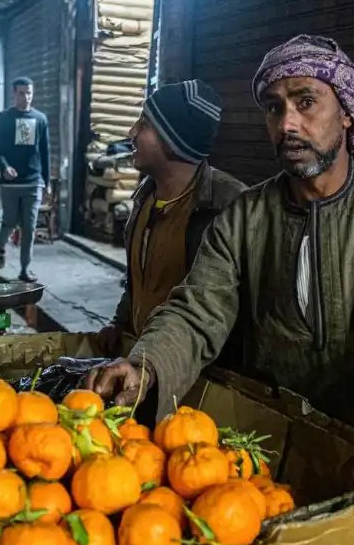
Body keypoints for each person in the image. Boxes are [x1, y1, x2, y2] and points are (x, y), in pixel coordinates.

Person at [85, 35, 354, 545]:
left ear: (347, 113)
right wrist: (147, 364)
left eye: (306, 102)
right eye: (274, 108)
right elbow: (197, 308)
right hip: (282, 452)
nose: (287, 124)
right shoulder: (245, 217)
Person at [97, 79, 246, 356]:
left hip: (198, 371)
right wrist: (119, 323)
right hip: (143, 362)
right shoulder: (145, 197)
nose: (132, 132)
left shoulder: (228, 207)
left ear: (175, 140)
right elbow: (138, 280)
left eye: (145, 124)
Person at [0, 76, 51, 283]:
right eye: (21, 93)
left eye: (29, 93)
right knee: (9, 221)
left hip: (33, 182)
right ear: (13, 94)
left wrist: (47, 182)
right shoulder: (4, 118)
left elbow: (45, 152)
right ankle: (1, 246)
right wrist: (4, 167)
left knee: (29, 227)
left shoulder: (40, 119)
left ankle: (25, 269)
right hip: (10, 184)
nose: (26, 97)